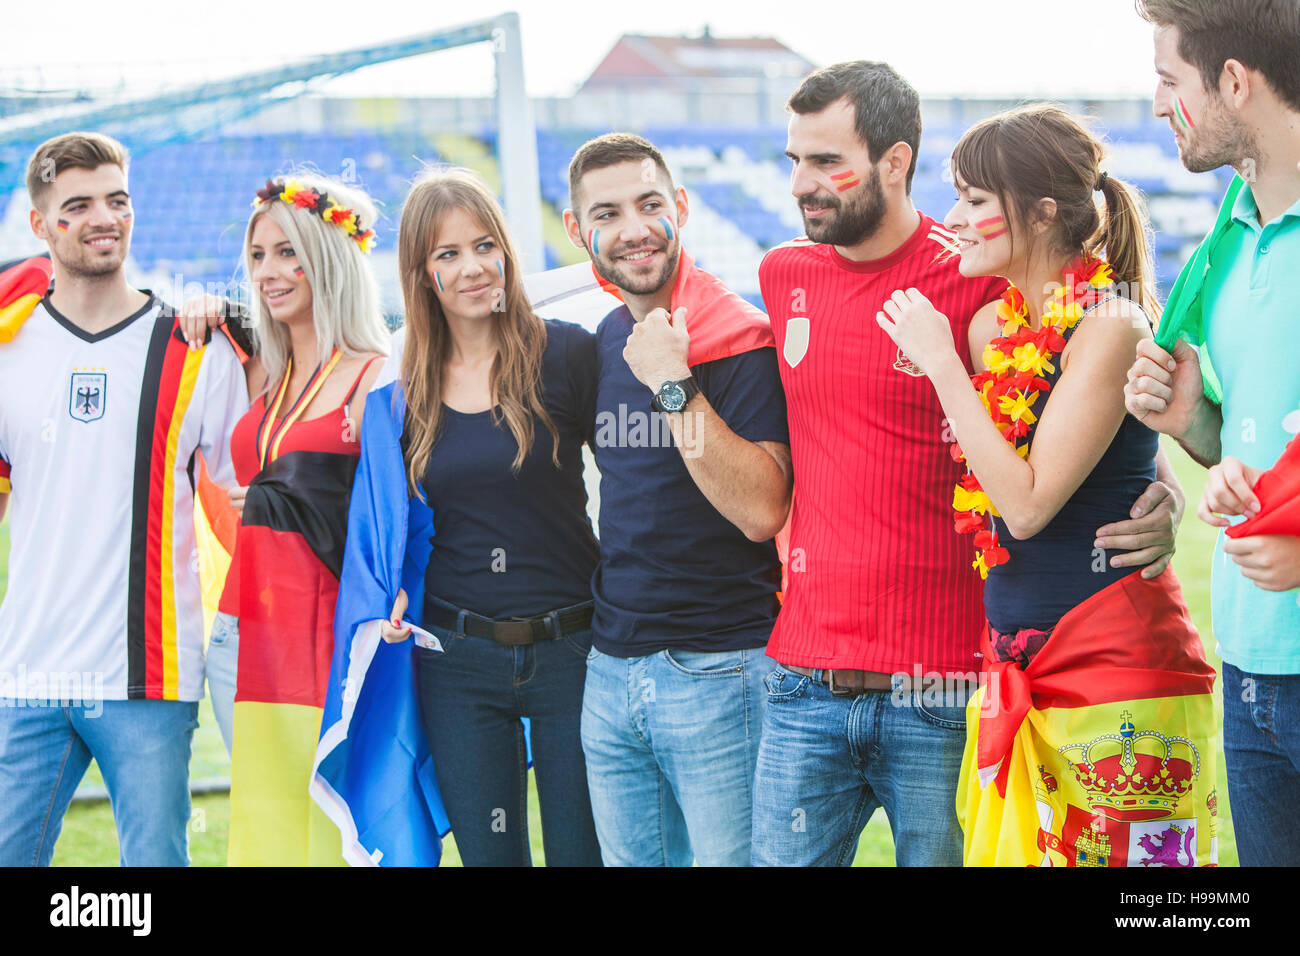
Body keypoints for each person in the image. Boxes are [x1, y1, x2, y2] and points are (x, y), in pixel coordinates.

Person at [751, 62, 1186, 866]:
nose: (802, 184)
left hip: (979, 675)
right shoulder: (796, 279)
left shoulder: (991, 293)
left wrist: (1162, 499)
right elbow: (1059, 436)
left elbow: (1072, 460)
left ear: (893, 161)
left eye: (825, 161)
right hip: (875, 669)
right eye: (794, 161)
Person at [877, 104, 1219, 867]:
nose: (955, 219)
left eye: (973, 200)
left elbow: (1026, 507)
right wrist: (1166, 491)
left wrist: (940, 368)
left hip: (1117, 668)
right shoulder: (990, 330)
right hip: (1016, 661)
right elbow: (1117, 459)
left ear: (1039, 211)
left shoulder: (1111, 322)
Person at [0, 132, 246, 866]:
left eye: (118, 200)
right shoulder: (8, 347)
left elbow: (252, 496)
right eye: (78, 205)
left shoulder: (196, 346)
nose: (104, 217)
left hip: (149, 677)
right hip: (28, 673)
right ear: (41, 226)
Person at [563, 133, 793, 866]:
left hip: (721, 669)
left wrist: (672, 380)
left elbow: (763, 509)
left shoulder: (739, 336)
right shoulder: (602, 338)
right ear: (578, 231)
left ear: (682, 209)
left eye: (649, 204)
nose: (632, 228)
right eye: (608, 212)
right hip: (611, 667)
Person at [374, 168, 602, 866]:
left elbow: (642, 483)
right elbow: (389, 524)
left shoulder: (566, 354)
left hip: (575, 650)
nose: (472, 268)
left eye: (484, 246)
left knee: (581, 854)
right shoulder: (401, 391)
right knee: (490, 854)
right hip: (458, 661)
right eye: (447, 255)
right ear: (423, 274)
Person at [1125, 0, 1300, 866]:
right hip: (1252, 666)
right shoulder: (1229, 243)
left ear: (1234, 81)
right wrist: (1193, 418)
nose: (1159, 104)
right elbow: (1247, 453)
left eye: (1169, 79)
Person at [212, 172, 388, 865]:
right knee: (268, 820)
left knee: (333, 823)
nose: (269, 272)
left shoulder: (377, 373)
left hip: (326, 638)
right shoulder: (265, 375)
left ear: (330, 257)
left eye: (288, 252)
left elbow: (393, 516)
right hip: (241, 637)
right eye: (257, 256)